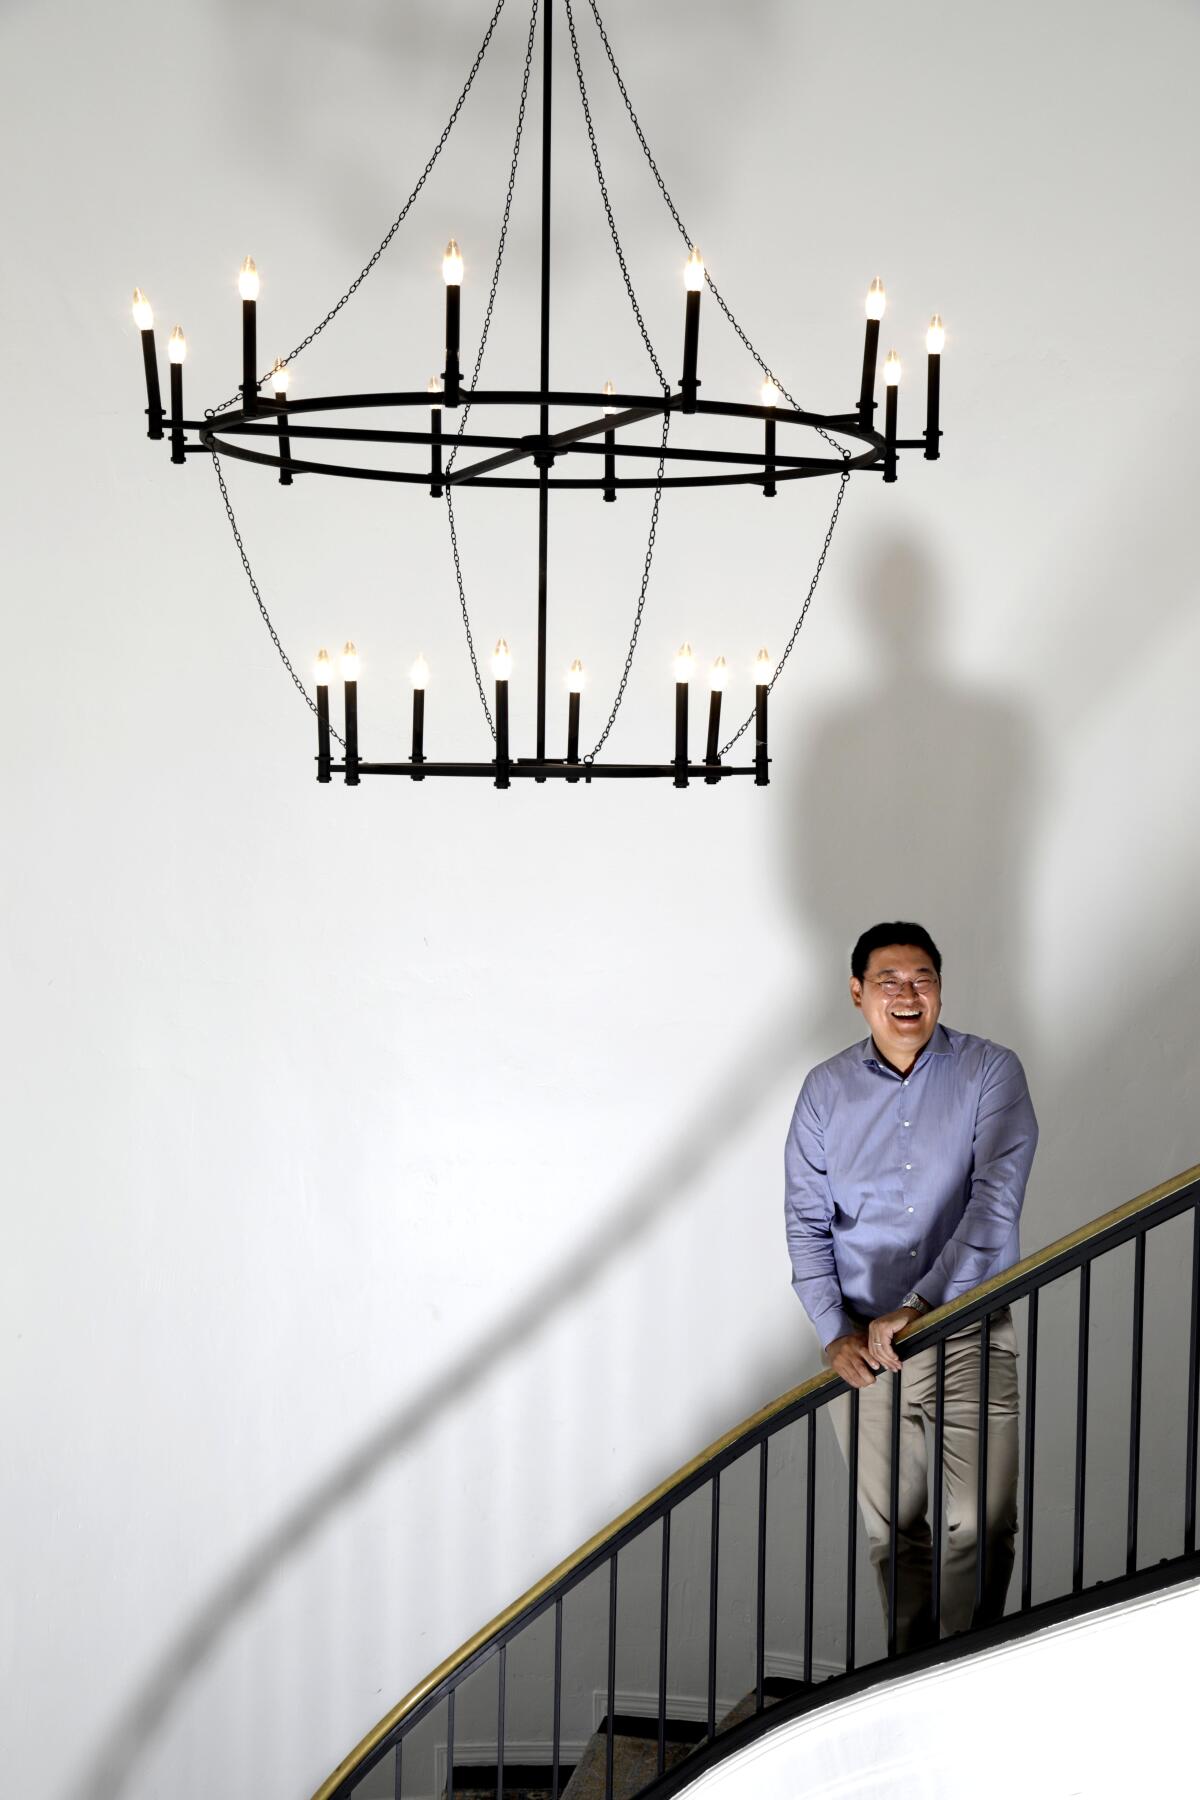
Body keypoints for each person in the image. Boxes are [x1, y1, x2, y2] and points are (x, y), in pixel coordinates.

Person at [784, 922, 1038, 1650]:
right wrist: (835, 1332)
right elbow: (805, 1220)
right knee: (894, 1533)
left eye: (922, 977)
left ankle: (963, 1673)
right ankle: (905, 1680)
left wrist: (921, 1304)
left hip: (968, 1327)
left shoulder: (990, 1071)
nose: (907, 993)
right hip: (866, 1345)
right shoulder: (824, 1091)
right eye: (888, 980)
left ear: (939, 989)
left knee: (979, 1522)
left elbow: (995, 1201)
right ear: (857, 991)